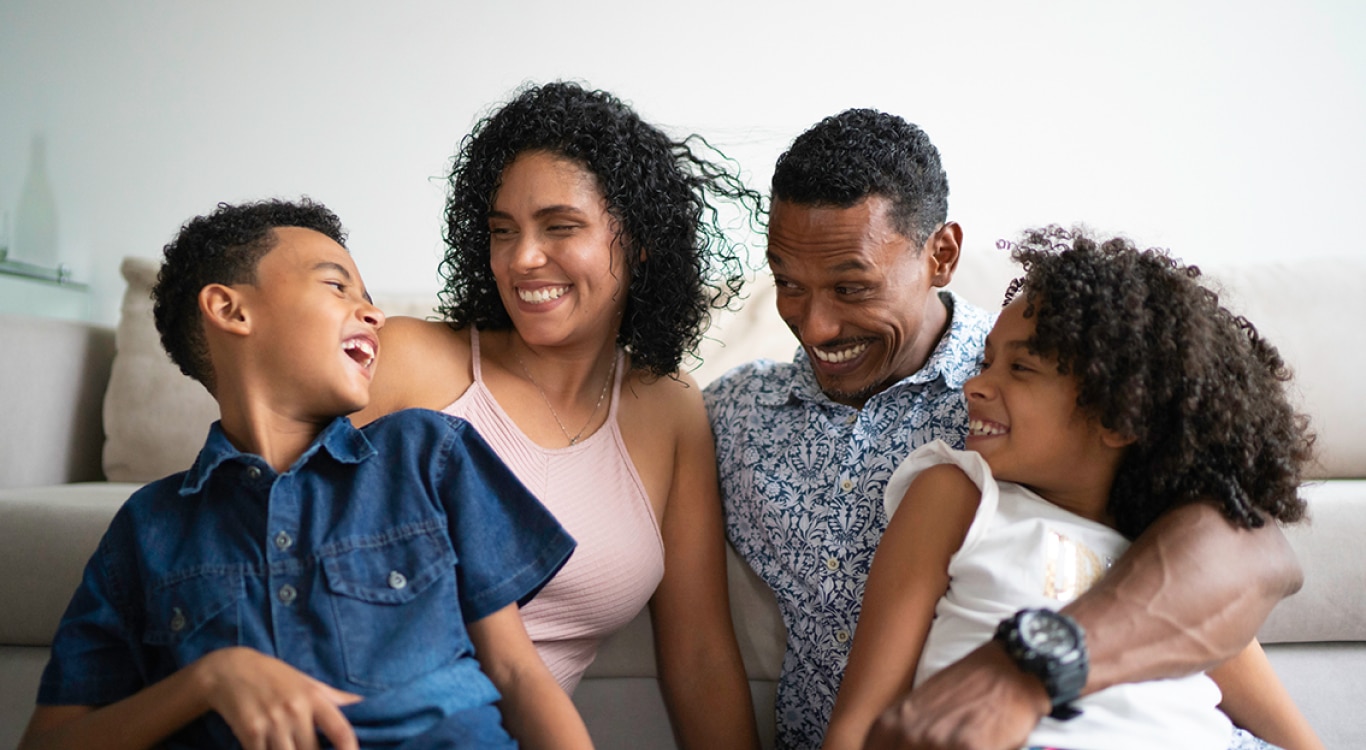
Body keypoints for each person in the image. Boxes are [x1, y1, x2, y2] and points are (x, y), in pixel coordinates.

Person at [704, 109, 1303, 750]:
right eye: (790, 284)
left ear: (942, 255)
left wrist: (1025, 671)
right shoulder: (735, 414)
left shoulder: (1052, 387)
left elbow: (1247, 549)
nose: (816, 326)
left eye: (852, 288)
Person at [19, 199, 593, 750]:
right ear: (231, 310)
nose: (375, 313)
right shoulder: (148, 528)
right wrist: (209, 680)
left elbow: (518, 674)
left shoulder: (426, 453)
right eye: (337, 285)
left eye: (368, 297)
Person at [353, 81, 763, 748]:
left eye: (560, 227)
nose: (521, 259)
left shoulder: (671, 411)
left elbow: (700, 659)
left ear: (641, 241)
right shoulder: (406, 360)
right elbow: (261, 539)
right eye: (502, 231)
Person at [824, 227, 1322, 750]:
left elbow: (1298, 739)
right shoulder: (958, 494)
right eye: (987, 361)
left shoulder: (1178, 560)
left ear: (1118, 416)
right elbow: (860, 721)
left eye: (1021, 368)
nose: (976, 385)